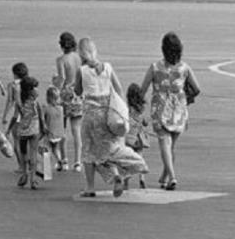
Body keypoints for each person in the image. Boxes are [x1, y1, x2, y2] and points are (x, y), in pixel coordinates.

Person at [75, 36, 145, 198]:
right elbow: (119, 89)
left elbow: (78, 91)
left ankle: (90, 187)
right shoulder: (107, 67)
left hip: (90, 116)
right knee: (109, 149)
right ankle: (117, 175)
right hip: (107, 115)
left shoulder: (82, 71)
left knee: (88, 151)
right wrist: (119, 111)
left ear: (81, 54)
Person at [140, 32, 200, 190]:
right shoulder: (184, 68)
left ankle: (172, 177)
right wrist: (185, 98)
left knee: (164, 143)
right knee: (171, 145)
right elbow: (197, 88)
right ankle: (165, 176)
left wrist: (137, 110)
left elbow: (142, 90)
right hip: (179, 109)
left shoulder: (155, 68)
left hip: (160, 108)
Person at [55, 32, 84, 173]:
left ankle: (64, 160)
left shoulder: (61, 60)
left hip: (65, 94)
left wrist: (54, 87)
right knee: (76, 130)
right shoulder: (79, 58)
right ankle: (78, 162)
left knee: (62, 129)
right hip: (78, 94)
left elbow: (61, 79)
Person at [14, 77, 45, 189]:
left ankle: (24, 174)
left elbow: (15, 116)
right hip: (34, 130)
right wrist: (44, 128)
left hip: (23, 131)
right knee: (33, 154)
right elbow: (41, 117)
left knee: (23, 154)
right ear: (31, 90)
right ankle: (33, 179)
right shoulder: (36, 103)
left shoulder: (20, 103)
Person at [124, 83, 150, 190]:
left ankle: (126, 179)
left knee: (127, 158)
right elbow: (145, 122)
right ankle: (141, 178)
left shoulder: (128, 109)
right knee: (140, 156)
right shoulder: (142, 108)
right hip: (139, 137)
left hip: (129, 137)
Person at [44, 86, 67, 173]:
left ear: (48, 98)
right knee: (55, 148)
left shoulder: (46, 108)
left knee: (47, 149)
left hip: (50, 132)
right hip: (59, 133)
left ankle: (46, 169)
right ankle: (59, 160)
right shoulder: (61, 109)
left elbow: (43, 119)